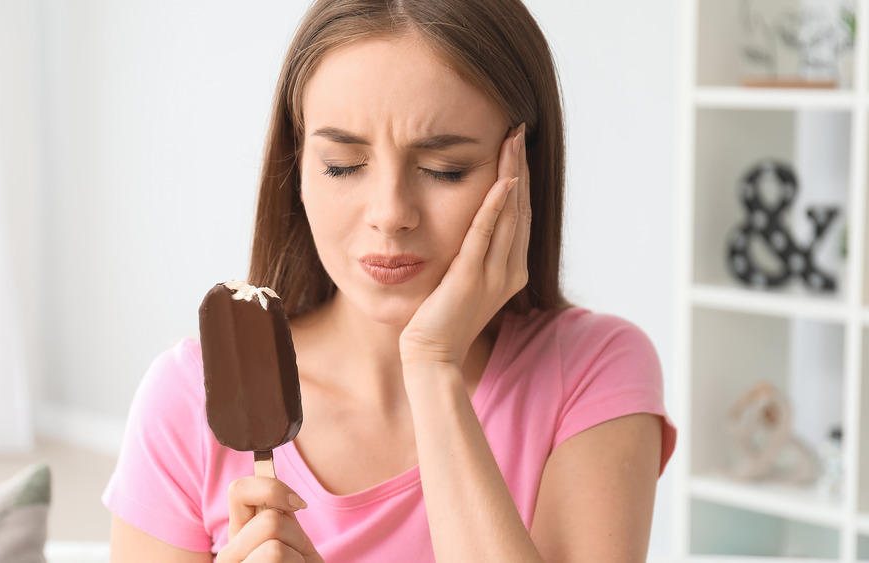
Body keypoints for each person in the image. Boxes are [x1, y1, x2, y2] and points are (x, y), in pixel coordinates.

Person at [103, 0, 677, 561]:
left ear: (523, 169)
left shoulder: (595, 370)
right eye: (343, 165)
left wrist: (432, 367)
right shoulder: (184, 399)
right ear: (297, 169)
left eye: (443, 170)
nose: (390, 212)